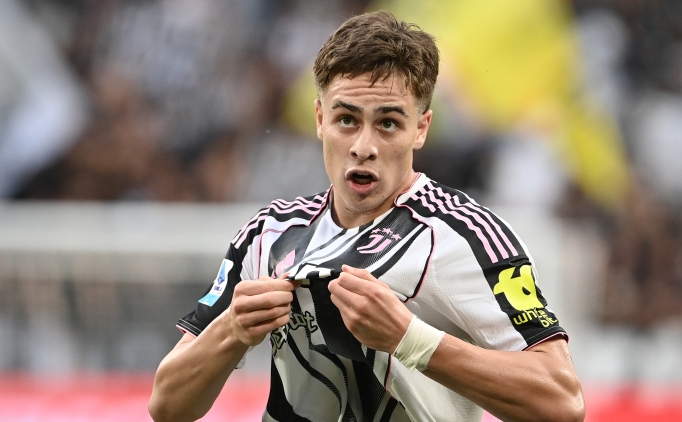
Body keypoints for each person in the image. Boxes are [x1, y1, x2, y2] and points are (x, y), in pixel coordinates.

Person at [148, 11, 585, 422]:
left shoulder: (461, 236)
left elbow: (562, 402)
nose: (363, 146)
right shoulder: (269, 235)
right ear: (320, 119)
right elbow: (167, 405)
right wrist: (231, 330)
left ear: (421, 128)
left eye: (388, 123)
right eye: (346, 120)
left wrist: (409, 339)